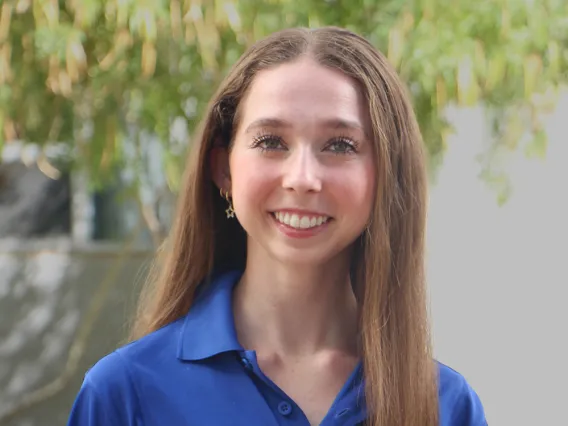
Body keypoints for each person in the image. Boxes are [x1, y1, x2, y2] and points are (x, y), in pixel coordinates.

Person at [67, 26, 487, 426]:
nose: (302, 177)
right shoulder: (124, 393)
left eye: (340, 145)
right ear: (223, 170)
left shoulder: (446, 406)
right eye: (270, 141)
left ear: (386, 177)